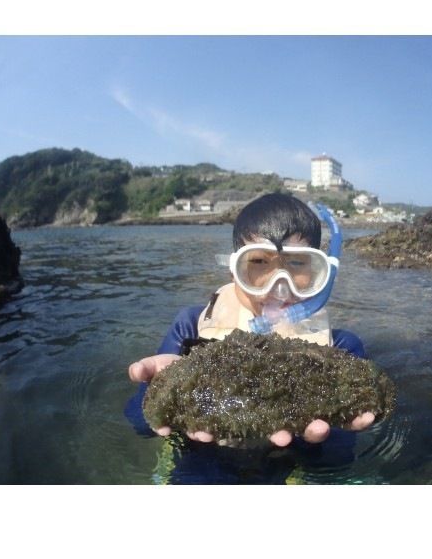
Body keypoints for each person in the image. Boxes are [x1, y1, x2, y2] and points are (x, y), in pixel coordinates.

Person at [125, 193, 375, 459]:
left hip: (292, 459)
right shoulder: (189, 328)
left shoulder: (343, 348)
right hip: (206, 451)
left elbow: (338, 451)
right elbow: (141, 423)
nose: (279, 286)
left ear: (316, 273)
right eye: (257, 262)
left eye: (297, 263)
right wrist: (167, 391)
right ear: (234, 271)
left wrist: (305, 432)